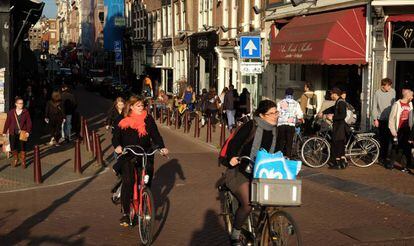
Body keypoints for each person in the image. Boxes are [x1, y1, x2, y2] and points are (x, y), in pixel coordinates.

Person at [225, 99, 278, 245]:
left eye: (276, 112)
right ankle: (235, 234)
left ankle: (265, 228)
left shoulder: (274, 130)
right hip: (240, 170)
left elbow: (277, 151)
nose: (275, 116)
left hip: (261, 172)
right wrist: (232, 157)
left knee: (272, 201)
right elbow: (234, 143)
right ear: (261, 115)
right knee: (248, 204)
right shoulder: (251, 125)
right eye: (272, 113)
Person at [112, 95, 169, 226]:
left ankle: (144, 199)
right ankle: (126, 213)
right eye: (138, 105)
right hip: (128, 154)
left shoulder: (148, 119)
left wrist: (162, 147)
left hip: (145, 153)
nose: (141, 108)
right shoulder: (123, 119)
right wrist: (118, 146)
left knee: (147, 179)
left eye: (142, 105)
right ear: (131, 106)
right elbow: (116, 137)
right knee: (129, 180)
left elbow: (155, 135)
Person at [2, 97, 32, 168]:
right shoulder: (11, 112)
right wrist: (4, 131)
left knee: (22, 147)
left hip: (22, 132)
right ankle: (16, 159)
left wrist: (28, 131)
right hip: (13, 132)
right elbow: (7, 122)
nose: (21, 105)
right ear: (16, 104)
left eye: (22, 103)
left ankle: (23, 161)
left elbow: (29, 122)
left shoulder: (25, 112)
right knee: (13, 147)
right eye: (20, 103)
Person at [372, 78, 395, 166]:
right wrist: (375, 119)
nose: (390, 87)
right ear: (383, 85)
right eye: (388, 85)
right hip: (381, 119)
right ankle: (382, 157)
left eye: (390, 85)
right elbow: (374, 106)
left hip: (391, 119)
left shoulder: (393, 91)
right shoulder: (377, 93)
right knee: (383, 139)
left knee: (391, 139)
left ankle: (387, 157)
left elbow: (394, 105)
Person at [389, 88, 413, 172]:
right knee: (396, 147)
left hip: (408, 129)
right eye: (411, 95)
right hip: (398, 129)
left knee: (406, 148)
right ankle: (391, 164)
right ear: (407, 96)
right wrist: (393, 131)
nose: (412, 97)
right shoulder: (397, 104)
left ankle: (404, 167)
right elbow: (391, 119)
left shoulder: (410, 104)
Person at [324, 88, 349, 169]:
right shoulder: (338, 101)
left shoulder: (341, 102)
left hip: (340, 127)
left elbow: (343, 115)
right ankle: (342, 163)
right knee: (340, 145)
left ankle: (337, 164)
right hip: (339, 127)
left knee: (336, 145)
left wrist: (332, 118)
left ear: (335, 94)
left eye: (331, 94)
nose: (331, 95)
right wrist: (323, 112)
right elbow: (332, 108)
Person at [276, 88, 303, 159]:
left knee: (280, 142)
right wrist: (300, 118)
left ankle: (279, 157)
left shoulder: (280, 102)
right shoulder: (296, 103)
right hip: (290, 125)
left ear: (285, 94)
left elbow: (277, 113)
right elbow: (299, 115)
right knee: (289, 142)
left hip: (281, 125)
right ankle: (288, 157)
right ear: (292, 94)